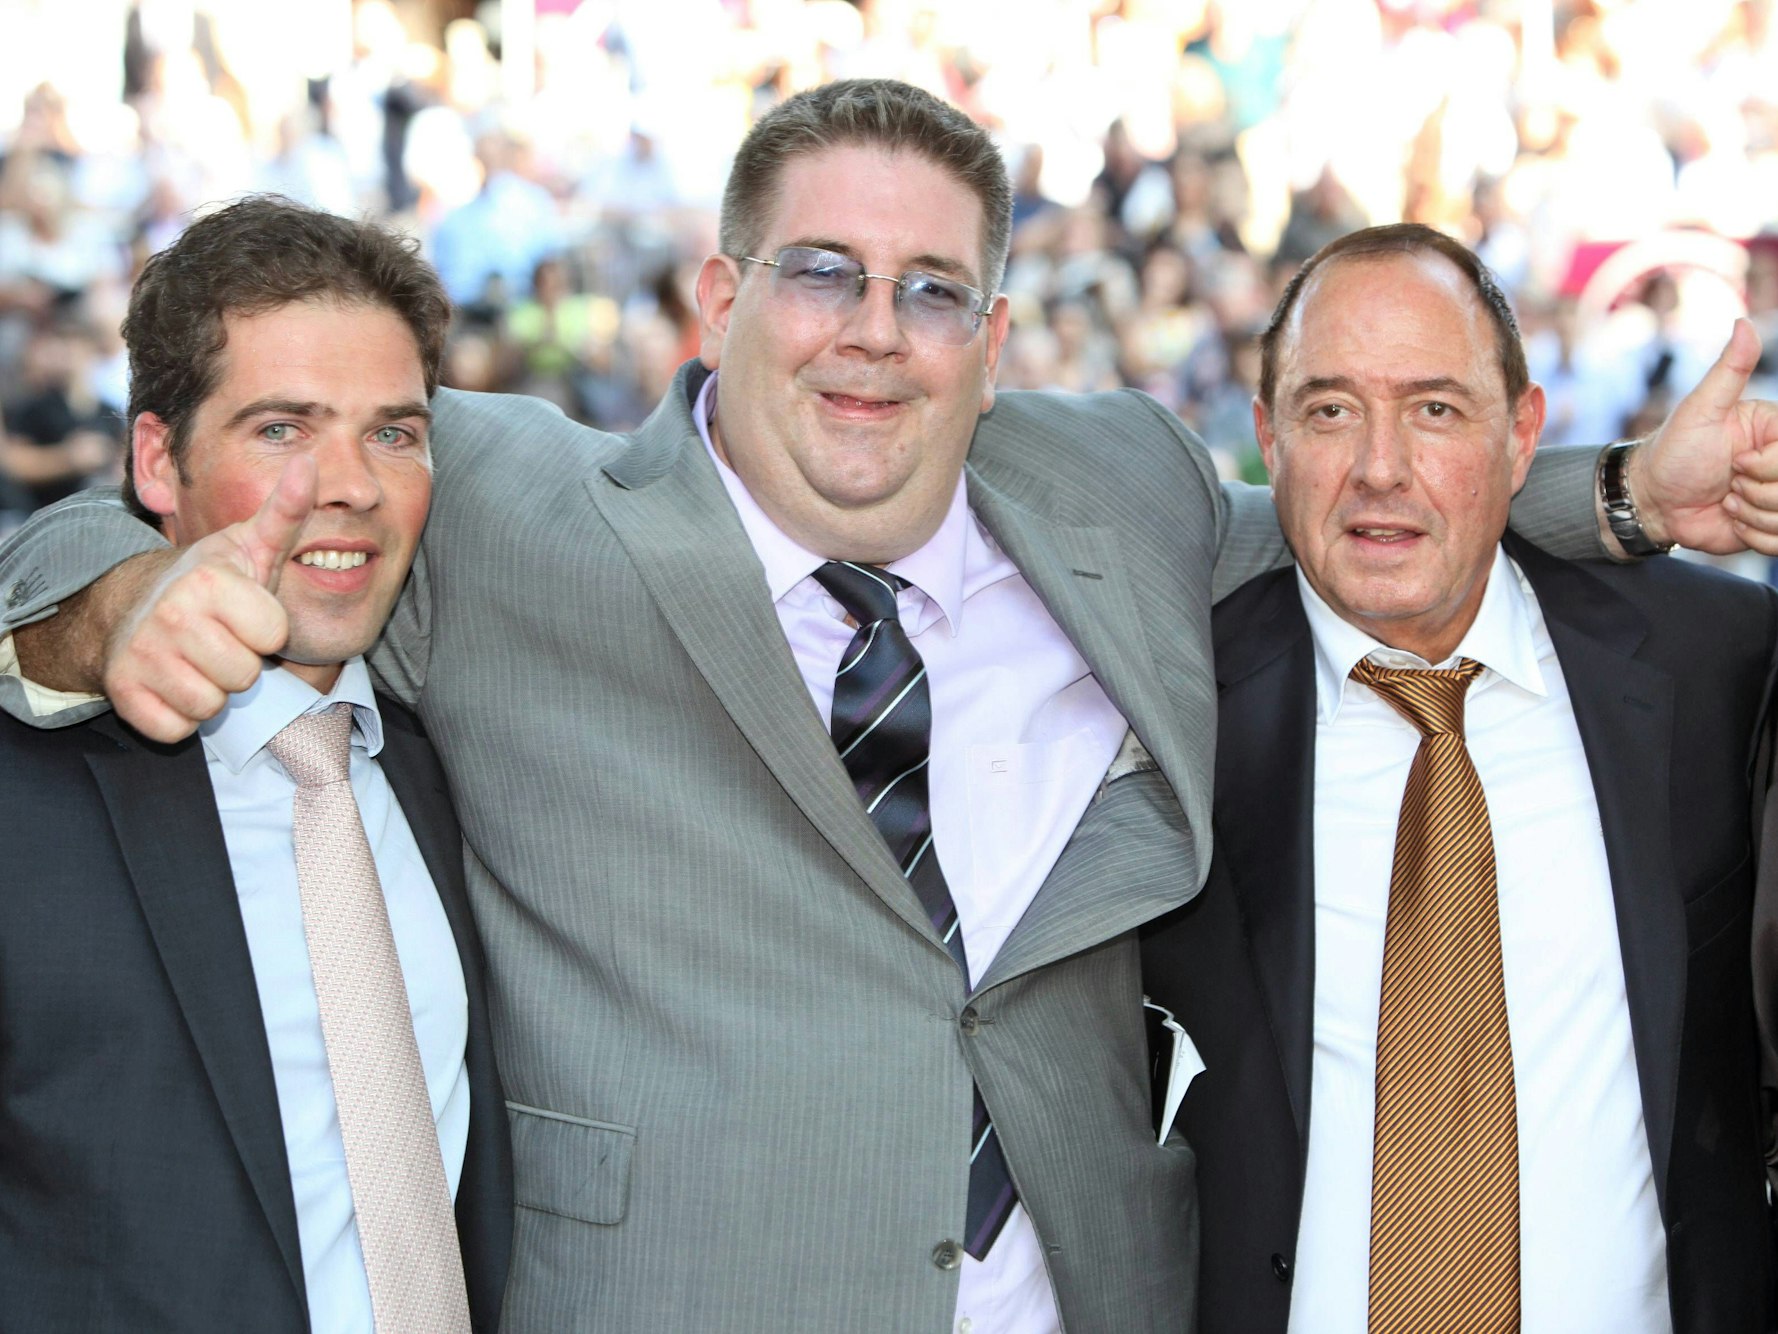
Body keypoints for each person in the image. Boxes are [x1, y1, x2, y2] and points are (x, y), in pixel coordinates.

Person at [1, 82, 1776, 1333]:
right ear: (719, 296)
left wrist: (1613, 487)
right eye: (821, 273)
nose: (874, 332)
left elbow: (1340, 512)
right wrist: (105, 600)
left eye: (931, 291)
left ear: (993, 337)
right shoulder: (509, 505)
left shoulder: (1116, 489)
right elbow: (246, 472)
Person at [1141, 224, 1778, 1333]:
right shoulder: (1166, 709)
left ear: (1522, 435)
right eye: (1328, 408)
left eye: (1434, 408)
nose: (1378, 464)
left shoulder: (1713, 664)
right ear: (1265, 437)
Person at [0, 198, 512, 1332]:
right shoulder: (27, 803)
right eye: (283, 428)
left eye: (393, 431)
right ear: (156, 461)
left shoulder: (467, 762)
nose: (349, 485)